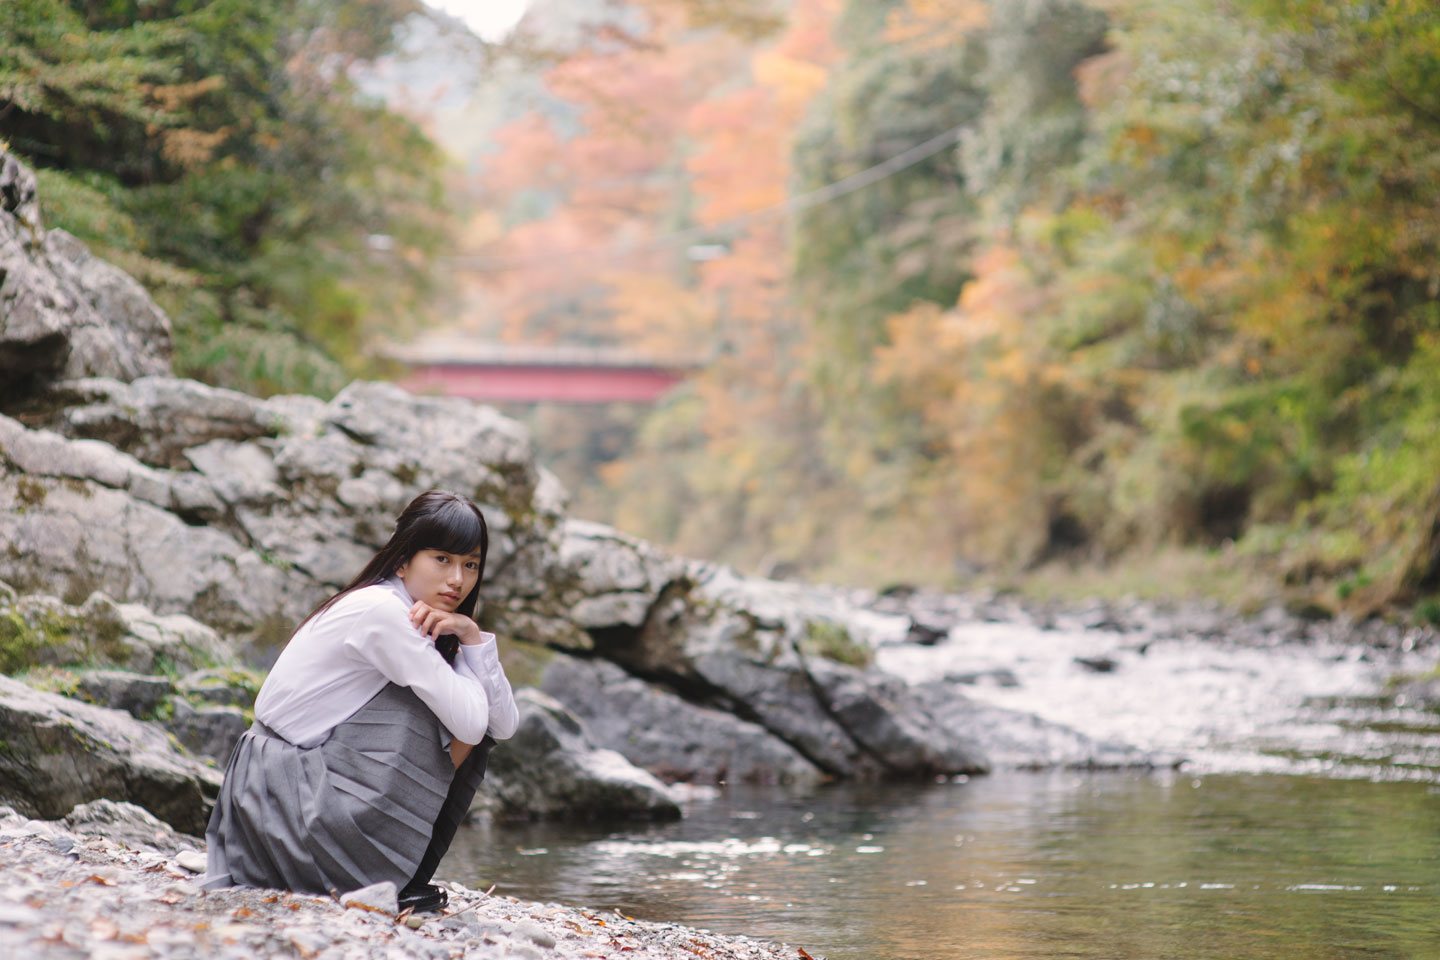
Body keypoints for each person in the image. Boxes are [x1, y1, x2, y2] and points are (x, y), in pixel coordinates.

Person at [200, 490, 520, 913]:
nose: (458, 579)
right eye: (442, 559)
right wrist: (468, 643)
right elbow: (473, 724)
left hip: (280, 791)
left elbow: (505, 724)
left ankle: (391, 872)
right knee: (436, 713)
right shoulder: (383, 612)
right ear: (403, 559)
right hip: (280, 800)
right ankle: (387, 875)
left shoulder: (403, 610)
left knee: (447, 702)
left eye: (470, 564)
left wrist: (471, 638)